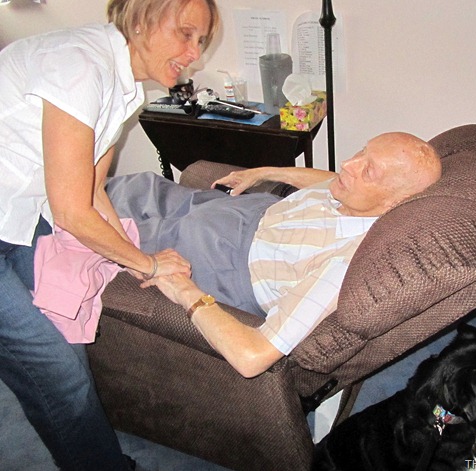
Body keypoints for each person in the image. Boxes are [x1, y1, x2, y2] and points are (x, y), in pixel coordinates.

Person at [0, 0, 219, 469]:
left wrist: (131, 254)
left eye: (200, 41)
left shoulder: (125, 89)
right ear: (141, 19)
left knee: (66, 338)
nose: (194, 54)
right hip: (13, 215)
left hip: (15, 218)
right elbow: (72, 210)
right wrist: (148, 263)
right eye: (185, 34)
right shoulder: (81, 67)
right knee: (55, 370)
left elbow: (93, 188)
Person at [106, 132, 442, 379]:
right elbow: (329, 179)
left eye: (368, 171)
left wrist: (185, 291)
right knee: (138, 186)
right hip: (243, 210)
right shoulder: (354, 194)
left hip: (222, 260)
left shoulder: (344, 264)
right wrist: (265, 172)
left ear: (395, 202)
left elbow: (252, 358)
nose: (347, 164)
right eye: (361, 152)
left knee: (104, 231)